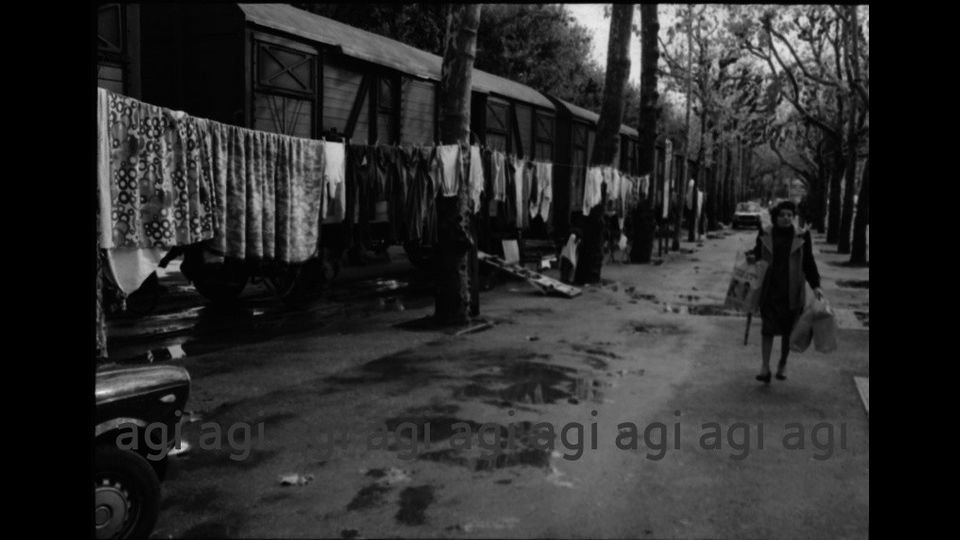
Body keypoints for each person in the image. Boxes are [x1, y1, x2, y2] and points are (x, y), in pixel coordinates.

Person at [747, 200, 823, 383]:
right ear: (775, 217)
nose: (787, 218)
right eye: (782, 215)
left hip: (792, 291)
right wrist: (750, 257)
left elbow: (808, 262)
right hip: (769, 289)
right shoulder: (765, 233)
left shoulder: (802, 236)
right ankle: (765, 367)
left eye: (790, 215)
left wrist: (816, 286)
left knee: (788, 331)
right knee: (767, 329)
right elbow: (757, 254)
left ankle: (782, 362)